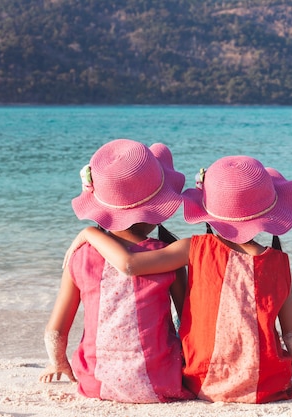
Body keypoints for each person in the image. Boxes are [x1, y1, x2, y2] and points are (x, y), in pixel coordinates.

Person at [65, 155, 292, 403]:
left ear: (208, 212)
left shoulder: (193, 248)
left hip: (201, 384)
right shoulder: (279, 264)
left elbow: (131, 264)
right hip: (266, 386)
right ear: (267, 215)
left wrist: (90, 234)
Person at [39, 139, 194, 403]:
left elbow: (55, 331)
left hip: (94, 383)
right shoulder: (167, 256)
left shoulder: (80, 256)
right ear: (156, 208)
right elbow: (187, 324)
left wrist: (58, 363)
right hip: (161, 382)